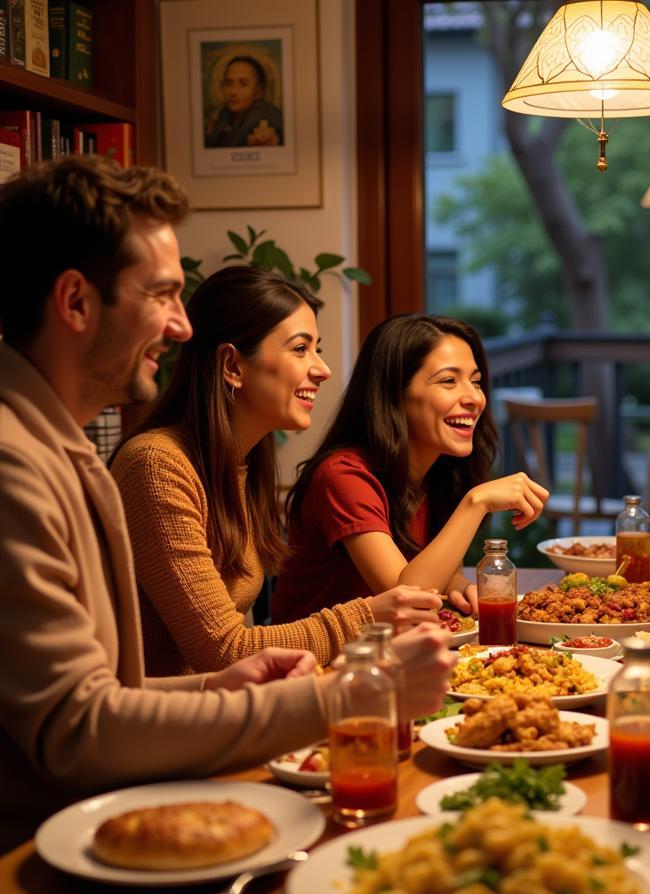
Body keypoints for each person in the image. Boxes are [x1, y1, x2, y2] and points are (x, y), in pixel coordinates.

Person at [0, 156, 453, 851]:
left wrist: (216, 691)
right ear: (76, 302)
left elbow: (104, 694)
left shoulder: (59, 447)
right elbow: (76, 733)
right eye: (161, 295)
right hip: (57, 852)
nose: (183, 327)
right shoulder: (23, 464)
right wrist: (349, 694)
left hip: (118, 810)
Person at [109, 265, 445, 676]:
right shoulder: (157, 466)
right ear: (233, 366)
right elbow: (225, 650)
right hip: (163, 724)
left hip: (222, 710)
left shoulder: (242, 465)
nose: (322, 369)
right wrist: (368, 616)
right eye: (301, 349)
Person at [271, 313, 549, 622]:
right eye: (448, 381)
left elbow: (437, 571)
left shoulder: (439, 469)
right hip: (313, 664)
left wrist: (456, 584)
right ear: (394, 395)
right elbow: (404, 597)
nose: (474, 398)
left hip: (394, 655)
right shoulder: (343, 475)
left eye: (476, 382)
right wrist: (477, 502)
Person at [205, 55, 284, 148]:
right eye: (228, 83)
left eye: (243, 84)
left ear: (259, 92)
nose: (233, 92)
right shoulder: (224, 113)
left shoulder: (266, 125)